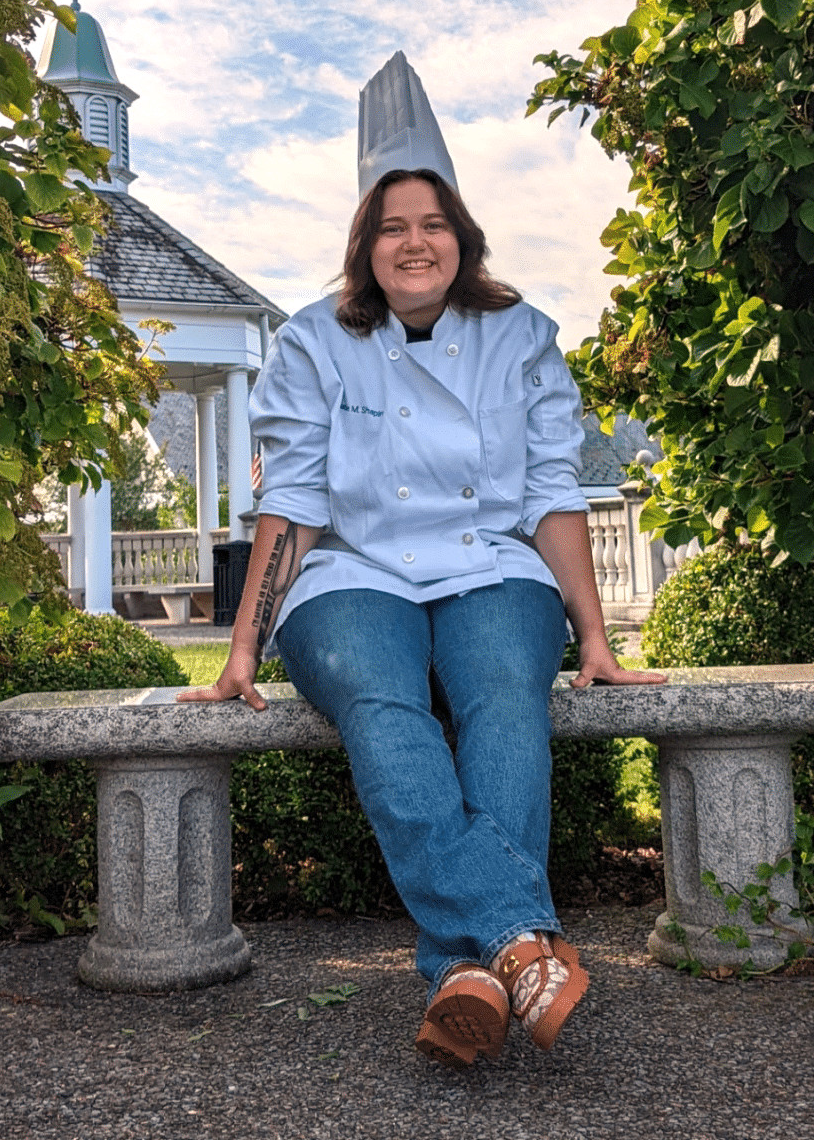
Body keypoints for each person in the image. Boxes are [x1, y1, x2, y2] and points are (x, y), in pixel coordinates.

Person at [178, 52, 666, 1068]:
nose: (414, 242)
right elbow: (295, 505)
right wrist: (241, 650)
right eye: (392, 226)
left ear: (462, 237)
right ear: (366, 245)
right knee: (384, 700)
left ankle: (465, 972)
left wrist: (596, 637)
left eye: (432, 223)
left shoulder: (522, 335)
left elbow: (550, 494)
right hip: (351, 572)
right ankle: (522, 940)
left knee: (499, 692)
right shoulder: (313, 343)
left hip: (492, 562)